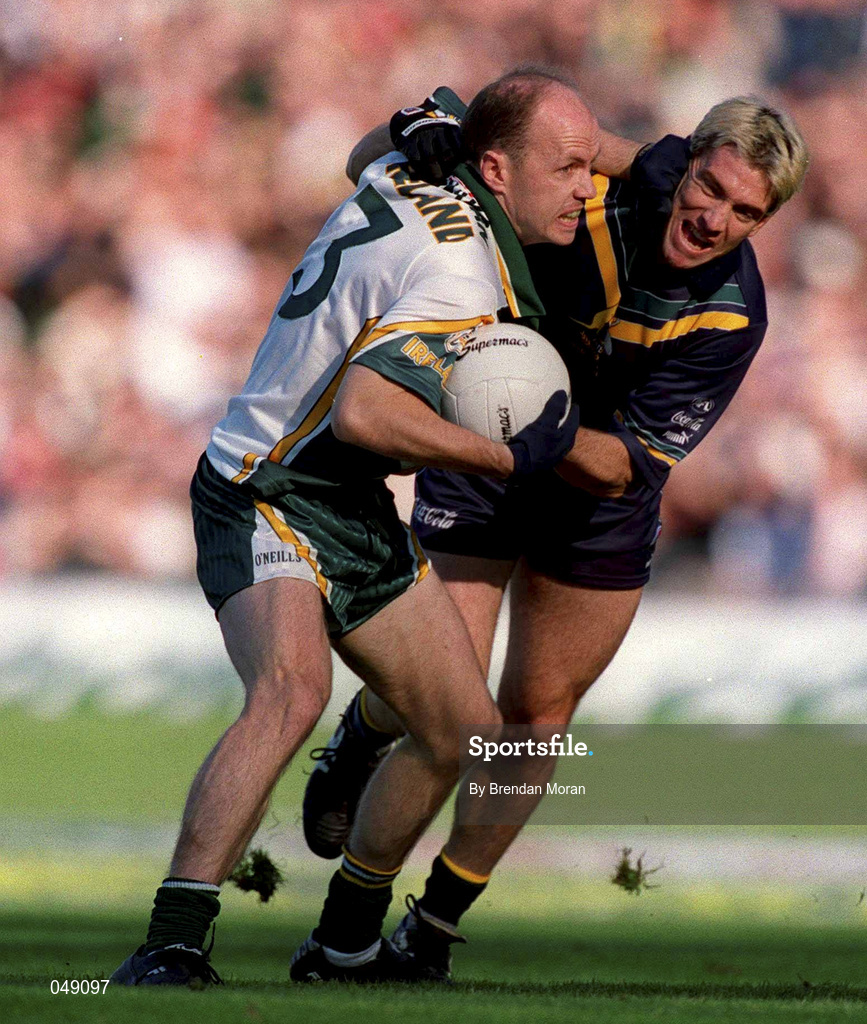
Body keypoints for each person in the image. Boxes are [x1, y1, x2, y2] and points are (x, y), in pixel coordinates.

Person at [304, 85, 809, 979]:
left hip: (593, 490)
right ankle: (348, 897)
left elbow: (626, 466)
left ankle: (432, 930)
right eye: (710, 188)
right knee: (447, 695)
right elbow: (405, 155)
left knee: (535, 720)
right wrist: (424, 129)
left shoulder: (733, 314)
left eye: (746, 213)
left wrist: (547, 431)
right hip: (484, 457)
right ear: (683, 162)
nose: (715, 220)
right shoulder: (618, 182)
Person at [108, 70, 595, 987]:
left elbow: (366, 157)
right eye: (566, 167)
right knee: (292, 691)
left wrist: (402, 129)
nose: (585, 187)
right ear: (497, 169)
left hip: (346, 501)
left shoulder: (422, 171)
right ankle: (169, 942)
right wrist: (504, 457)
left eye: (589, 166)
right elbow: (365, 414)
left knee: (461, 731)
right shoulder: (461, 273)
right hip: (263, 483)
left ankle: (342, 947)